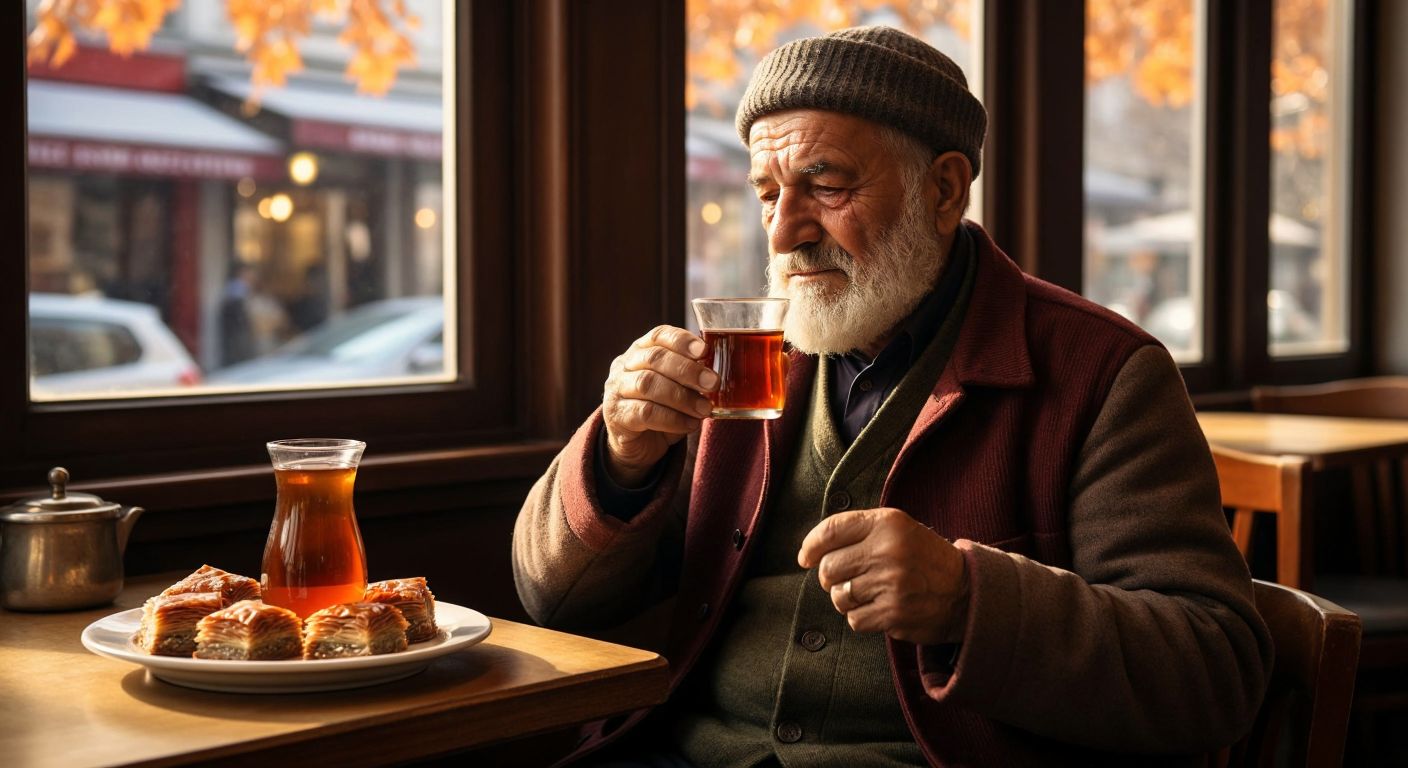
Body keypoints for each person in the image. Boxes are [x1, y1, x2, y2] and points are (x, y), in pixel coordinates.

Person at [514, 26, 1271, 766]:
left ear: (944, 189)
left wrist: (971, 602)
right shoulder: (744, 364)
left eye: (826, 184)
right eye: (768, 192)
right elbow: (551, 601)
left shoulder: (1103, 374)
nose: (781, 234)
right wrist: (620, 461)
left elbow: (1214, 674)